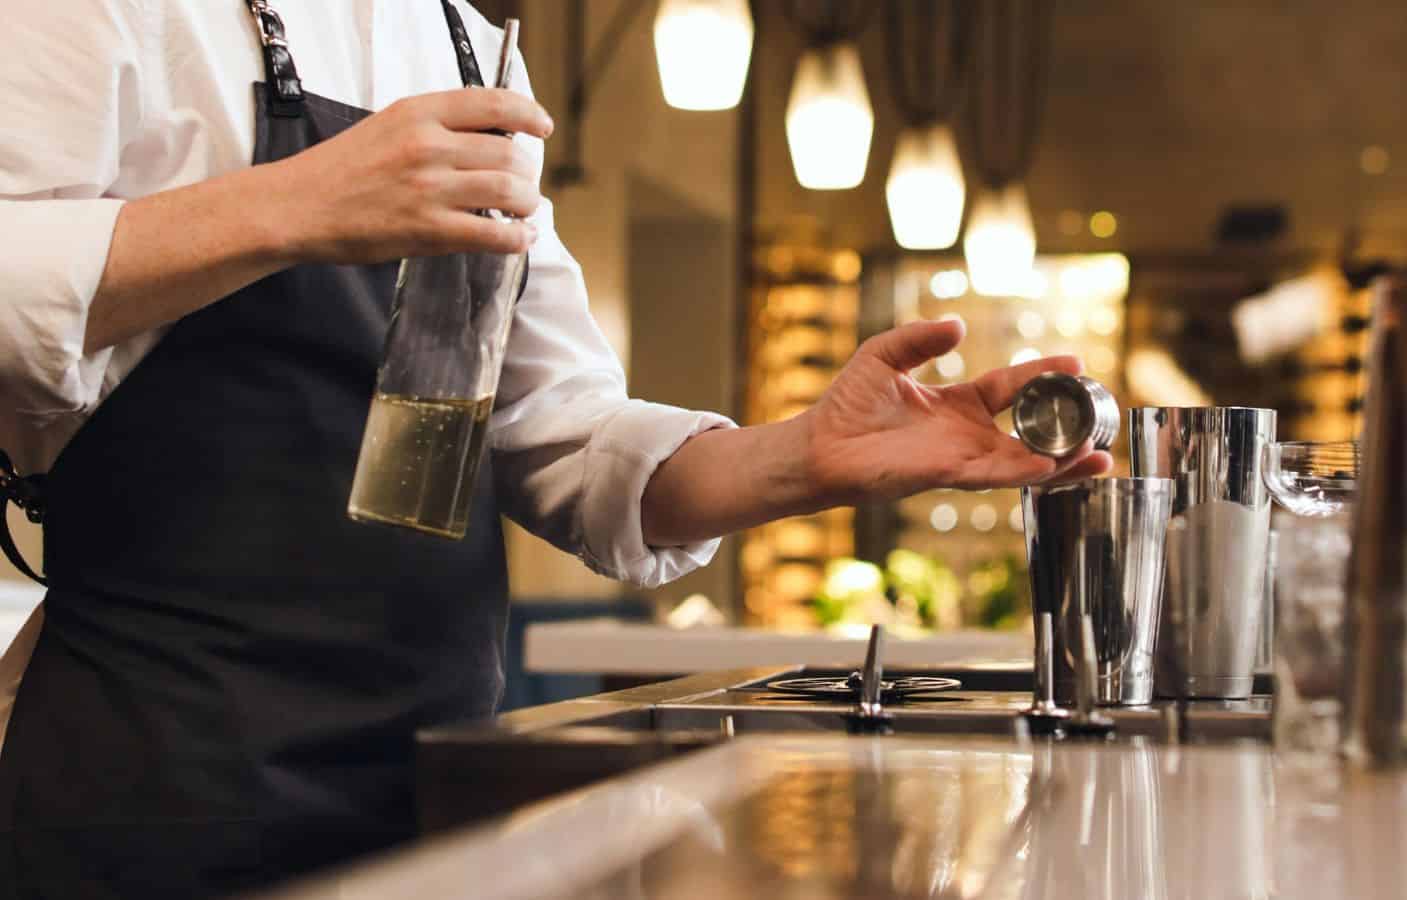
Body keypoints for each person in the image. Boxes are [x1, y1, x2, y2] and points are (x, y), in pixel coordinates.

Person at [0, 2, 1112, 896]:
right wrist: (294, 205)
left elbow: (558, 430)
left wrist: (809, 459)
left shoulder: (469, 44)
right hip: (163, 777)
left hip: (438, 769)